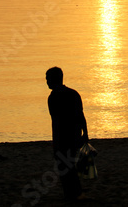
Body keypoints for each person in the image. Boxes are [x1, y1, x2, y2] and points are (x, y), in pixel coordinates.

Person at [45, 66, 88, 201]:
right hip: (74, 136)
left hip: (62, 138)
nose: (46, 82)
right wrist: (85, 134)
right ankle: (74, 193)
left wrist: (56, 141)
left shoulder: (53, 98)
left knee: (65, 168)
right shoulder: (73, 94)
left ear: (54, 79)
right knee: (70, 167)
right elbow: (81, 116)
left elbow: (57, 120)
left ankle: (72, 194)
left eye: (48, 79)